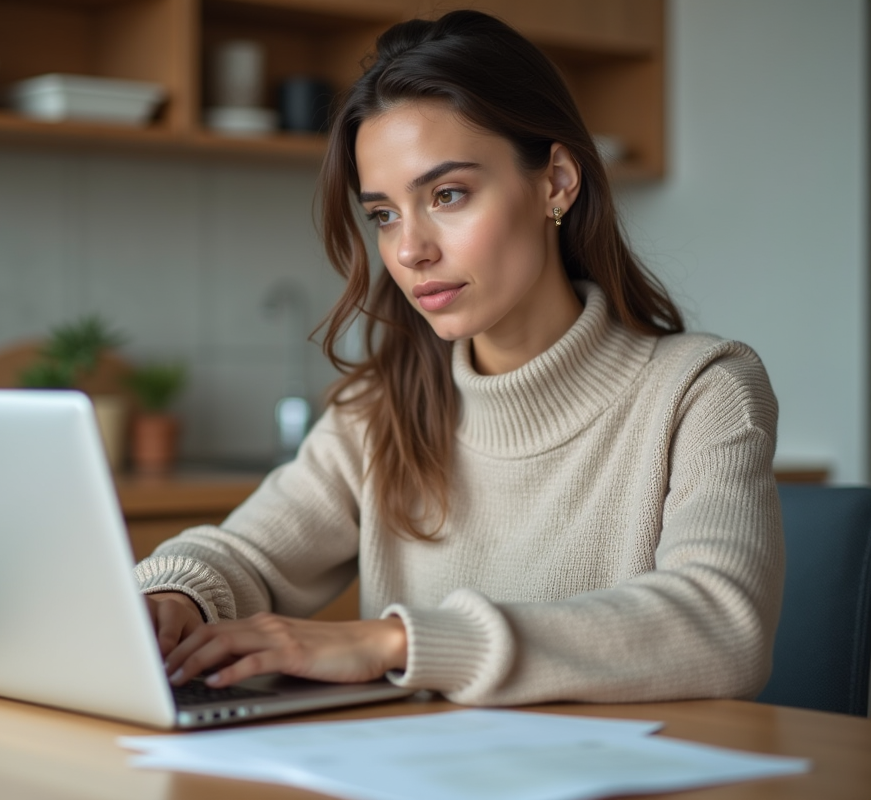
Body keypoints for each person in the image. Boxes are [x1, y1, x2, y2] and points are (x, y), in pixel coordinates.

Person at [137, 9, 784, 707]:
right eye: (384, 214)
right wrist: (174, 598)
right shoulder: (381, 411)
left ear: (556, 182)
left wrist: (396, 642)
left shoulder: (702, 390)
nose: (410, 250)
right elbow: (245, 555)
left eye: (447, 195)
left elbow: (723, 626)